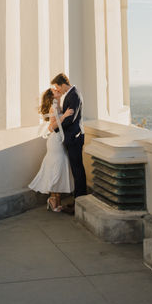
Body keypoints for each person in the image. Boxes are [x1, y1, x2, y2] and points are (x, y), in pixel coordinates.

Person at [28, 87, 74, 212]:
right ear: (52, 96)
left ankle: (56, 201)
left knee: (60, 168)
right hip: (55, 142)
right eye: (54, 90)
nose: (57, 90)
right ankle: (53, 200)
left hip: (60, 140)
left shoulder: (58, 106)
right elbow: (51, 128)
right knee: (57, 168)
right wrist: (64, 116)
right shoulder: (54, 108)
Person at [50, 72, 87, 211]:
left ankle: (80, 203)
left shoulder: (74, 95)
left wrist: (56, 128)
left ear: (63, 84)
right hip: (73, 137)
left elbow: (70, 119)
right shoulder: (71, 94)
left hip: (75, 138)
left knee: (78, 170)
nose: (58, 90)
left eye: (57, 87)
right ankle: (78, 201)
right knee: (76, 170)